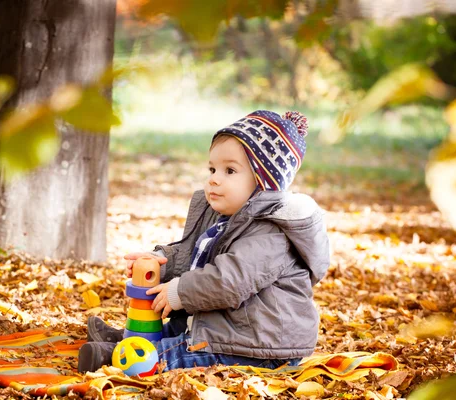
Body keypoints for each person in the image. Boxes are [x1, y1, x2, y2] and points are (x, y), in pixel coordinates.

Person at [78, 110, 330, 373]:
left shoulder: (272, 232)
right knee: (175, 329)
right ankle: (130, 341)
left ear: (264, 182)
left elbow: (230, 280)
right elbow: (191, 254)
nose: (214, 178)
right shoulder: (224, 216)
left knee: (180, 353)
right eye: (212, 168)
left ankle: (124, 358)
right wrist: (161, 263)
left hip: (257, 344)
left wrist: (180, 292)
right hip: (221, 326)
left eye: (230, 170)